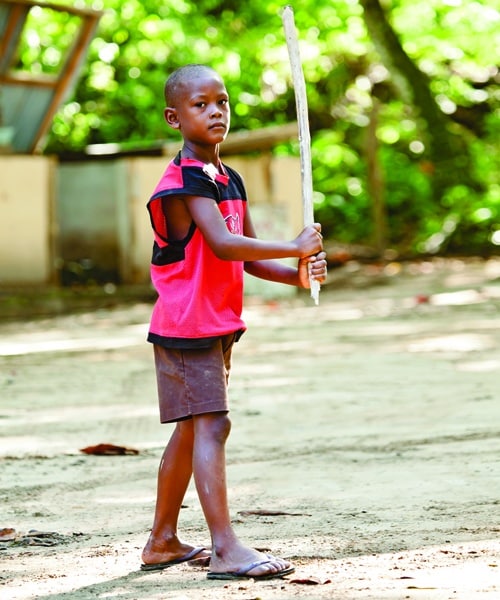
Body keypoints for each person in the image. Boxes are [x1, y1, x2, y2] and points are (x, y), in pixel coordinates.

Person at [141, 64, 327, 581]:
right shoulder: (184, 181)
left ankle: (161, 542)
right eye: (201, 105)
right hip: (187, 324)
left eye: (221, 101)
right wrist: (292, 244)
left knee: (190, 430)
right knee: (213, 424)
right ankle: (225, 548)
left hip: (214, 324)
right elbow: (222, 245)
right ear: (174, 118)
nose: (216, 112)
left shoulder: (228, 177)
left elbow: (245, 257)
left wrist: (299, 273)